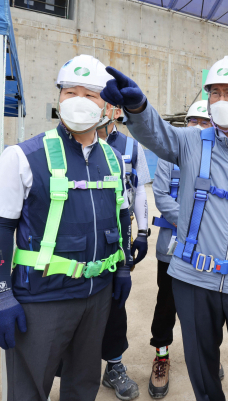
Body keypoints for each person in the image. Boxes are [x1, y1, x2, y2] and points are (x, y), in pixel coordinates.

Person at [100, 55, 228, 401]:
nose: (220, 101)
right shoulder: (190, 143)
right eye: (214, 93)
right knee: (203, 370)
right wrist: (139, 107)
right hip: (193, 281)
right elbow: (157, 134)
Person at [0, 54, 133, 401]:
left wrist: (122, 267)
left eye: (90, 94)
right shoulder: (22, 156)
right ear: (58, 98)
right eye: (69, 92)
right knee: (29, 390)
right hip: (42, 299)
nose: (78, 101)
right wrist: (1, 296)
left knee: (83, 386)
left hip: (97, 298)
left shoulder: (113, 159)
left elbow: (122, 217)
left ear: (106, 106)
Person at [148, 100, 223, 398]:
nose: (197, 127)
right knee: (166, 306)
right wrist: (192, 225)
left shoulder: (219, 159)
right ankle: (162, 357)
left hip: (208, 251)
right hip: (173, 249)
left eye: (204, 122)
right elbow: (161, 195)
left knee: (206, 309)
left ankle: (206, 357)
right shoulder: (169, 157)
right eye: (193, 120)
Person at [95, 104, 151, 400]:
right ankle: (78, 366)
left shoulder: (130, 146)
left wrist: (141, 232)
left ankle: (113, 366)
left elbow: (139, 188)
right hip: (81, 235)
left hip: (119, 231)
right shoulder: (68, 142)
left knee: (116, 298)